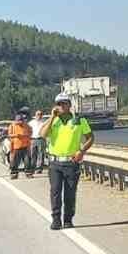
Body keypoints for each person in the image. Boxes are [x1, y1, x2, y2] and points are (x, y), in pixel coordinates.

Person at [41, 93, 93, 229]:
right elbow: (43, 134)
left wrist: (81, 151)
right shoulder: (53, 121)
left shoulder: (79, 120)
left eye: (64, 103)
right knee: (55, 192)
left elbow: (90, 137)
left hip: (71, 162)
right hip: (55, 162)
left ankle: (68, 219)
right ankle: (56, 219)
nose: (61, 106)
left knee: (70, 193)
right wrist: (52, 117)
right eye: (59, 104)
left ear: (69, 105)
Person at [7, 109, 33, 179]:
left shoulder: (26, 126)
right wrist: (16, 135)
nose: (20, 122)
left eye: (21, 120)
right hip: (16, 147)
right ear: (16, 120)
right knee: (15, 162)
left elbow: (30, 132)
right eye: (18, 120)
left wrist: (26, 135)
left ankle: (28, 173)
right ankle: (14, 174)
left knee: (27, 161)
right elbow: (9, 135)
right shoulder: (12, 126)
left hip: (25, 146)